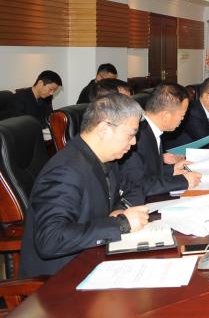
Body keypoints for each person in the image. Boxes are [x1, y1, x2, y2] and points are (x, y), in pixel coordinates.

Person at [19, 94, 150, 277]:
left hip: (93, 259)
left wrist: (119, 210)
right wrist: (120, 224)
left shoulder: (105, 159)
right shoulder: (66, 170)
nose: (134, 142)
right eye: (131, 134)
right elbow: (50, 239)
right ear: (104, 129)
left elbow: (128, 190)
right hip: (60, 278)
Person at [119, 84, 202, 204]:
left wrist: (172, 169)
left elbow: (147, 171)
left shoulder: (150, 130)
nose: (182, 119)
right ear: (165, 116)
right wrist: (182, 181)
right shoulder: (136, 138)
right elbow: (136, 185)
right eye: (182, 115)